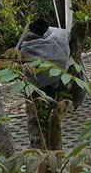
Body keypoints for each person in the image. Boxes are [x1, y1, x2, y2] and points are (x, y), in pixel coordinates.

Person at [16, 17, 71, 149]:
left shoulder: (26, 46)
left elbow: (19, 59)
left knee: (43, 114)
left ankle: (46, 142)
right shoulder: (59, 34)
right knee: (47, 111)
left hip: (40, 84)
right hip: (54, 79)